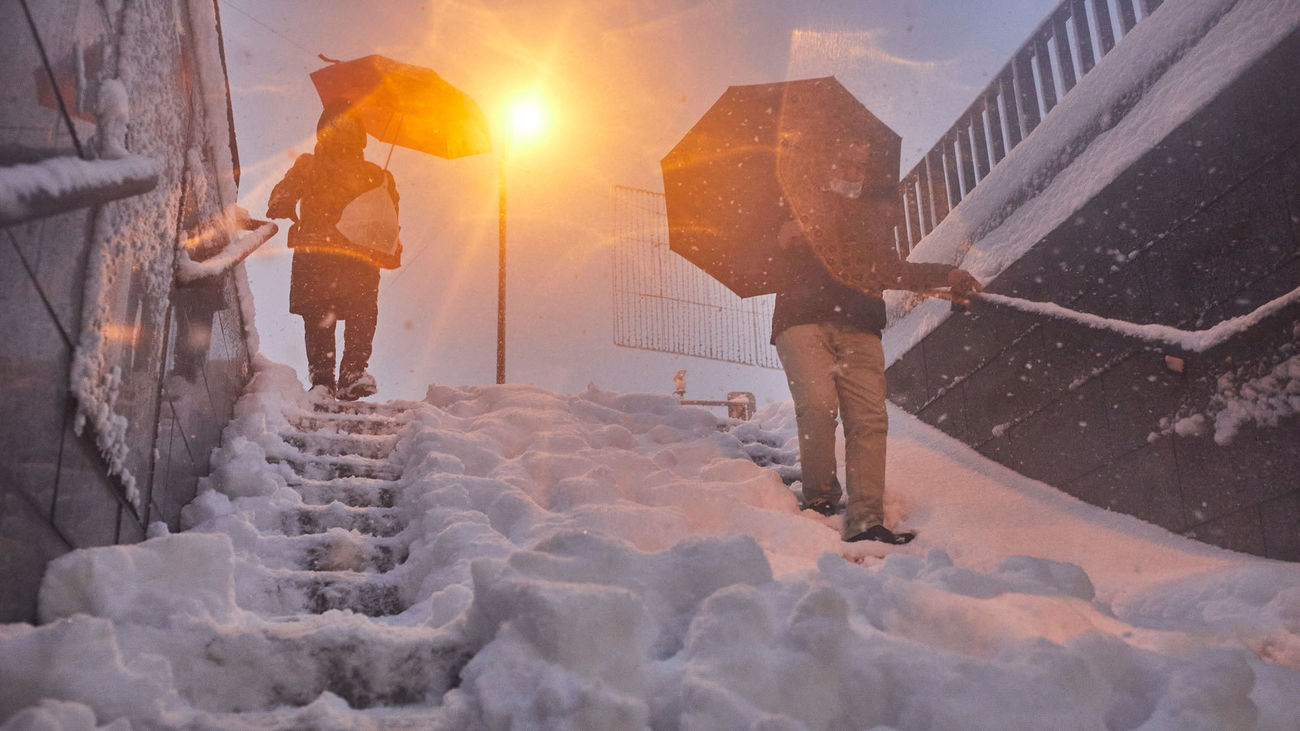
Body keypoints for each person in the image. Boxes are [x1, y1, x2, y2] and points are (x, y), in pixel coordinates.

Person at [772, 142, 982, 544]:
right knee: (817, 407)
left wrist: (947, 274)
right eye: (846, 158)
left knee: (869, 419)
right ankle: (819, 499)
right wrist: (780, 239)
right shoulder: (795, 204)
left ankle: (866, 520)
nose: (854, 168)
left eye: (861, 162)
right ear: (826, 160)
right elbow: (759, 263)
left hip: (860, 324)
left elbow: (892, 270)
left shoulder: (869, 218)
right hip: (801, 318)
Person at [266, 100, 401, 401]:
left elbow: (282, 195)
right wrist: (384, 185)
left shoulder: (309, 165)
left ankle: (323, 382)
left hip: (317, 255)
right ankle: (352, 372)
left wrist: (283, 204)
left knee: (319, 316)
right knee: (360, 312)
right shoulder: (376, 174)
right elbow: (390, 224)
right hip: (357, 259)